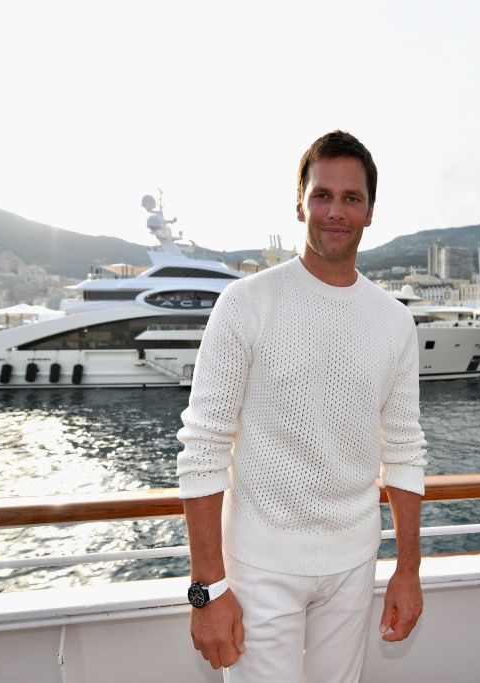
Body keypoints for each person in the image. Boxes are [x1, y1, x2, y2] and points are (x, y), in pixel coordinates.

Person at [176, 130, 427, 682]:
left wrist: (406, 571)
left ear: (369, 213)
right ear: (300, 204)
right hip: (259, 566)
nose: (335, 211)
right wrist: (208, 589)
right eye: (323, 195)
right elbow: (203, 448)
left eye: (351, 198)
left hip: (355, 563)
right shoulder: (246, 303)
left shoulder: (393, 321)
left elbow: (405, 449)